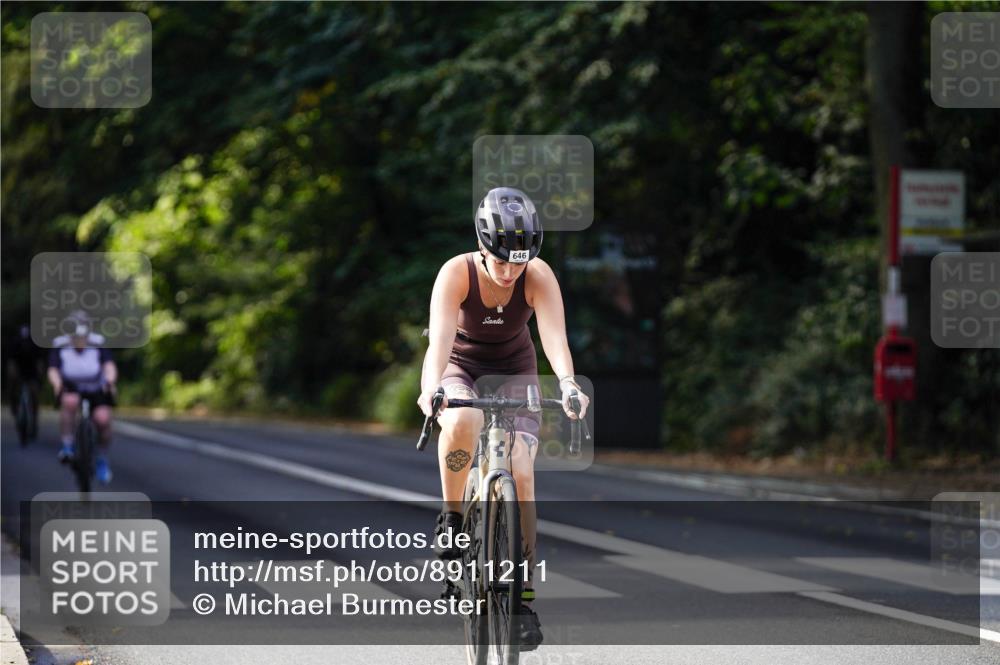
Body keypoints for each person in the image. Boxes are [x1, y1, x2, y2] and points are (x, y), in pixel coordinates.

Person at [417, 187, 590, 650]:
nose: (512, 271)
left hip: (515, 368)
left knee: (523, 472)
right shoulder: (457, 272)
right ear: (482, 247)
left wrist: (569, 383)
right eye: (502, 262)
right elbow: (438, 343)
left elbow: (554, 338)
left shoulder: (537, 275)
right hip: (460, 366)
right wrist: (432, 389)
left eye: (520, 262)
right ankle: (453, 519)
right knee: (462, 422)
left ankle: (522, 597)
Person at [47, 311, 118, 484]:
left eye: (83, 336)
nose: (79, 341)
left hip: (96, 388)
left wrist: (109, 380)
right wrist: (57, 385)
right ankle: (67, 445)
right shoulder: (61, 345)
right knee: (69, 402)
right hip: (71, 387)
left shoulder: (98, 343)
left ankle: (101, 458)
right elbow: (53, 369)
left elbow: (109, 366)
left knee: (103, 419)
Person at [7, 324, 42, 439]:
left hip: (31, 373)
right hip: (19, 372)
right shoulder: (15, 342)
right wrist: (12, 373)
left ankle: (34, 422)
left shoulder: (35, 344)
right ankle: (15, 412)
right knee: (13, 391)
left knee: (34, 395)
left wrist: (39, 374)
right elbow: (11, 361)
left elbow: (39, 362)